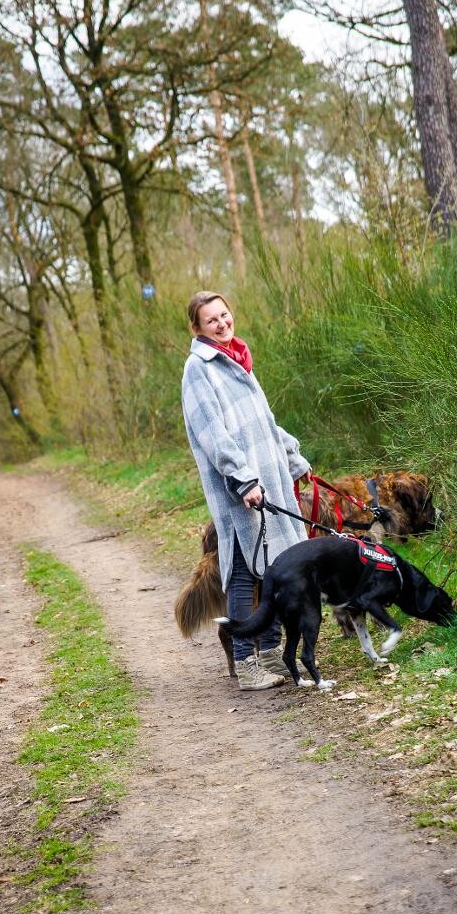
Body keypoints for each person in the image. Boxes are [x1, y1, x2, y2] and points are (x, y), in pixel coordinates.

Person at [181, 290, 312, 690]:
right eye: (211, 320)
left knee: (272, 568)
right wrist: (243, 479)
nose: (221, 323)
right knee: (240, 572)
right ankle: (245, 660)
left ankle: (271, 652)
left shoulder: (238, 358)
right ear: (197, 328)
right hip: (238, 489)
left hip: (268, 482)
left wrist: (293, 459)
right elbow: (213, 434)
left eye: (224, 315)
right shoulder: (198, 369)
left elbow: (265, 424)